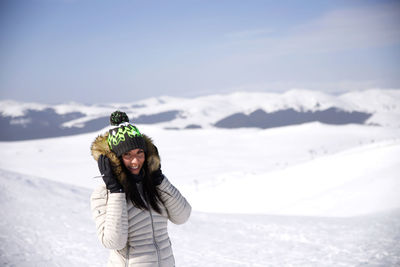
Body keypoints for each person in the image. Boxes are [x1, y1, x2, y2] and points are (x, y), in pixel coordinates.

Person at [90, 110, 191, 267]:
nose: (135, 161)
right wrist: (116, 191)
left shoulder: (153, 185)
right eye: (127, 155)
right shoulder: (103, 194)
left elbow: (182, 216)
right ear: (115, 159)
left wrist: (158, 178)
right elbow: (113, 242)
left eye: (140, 153)